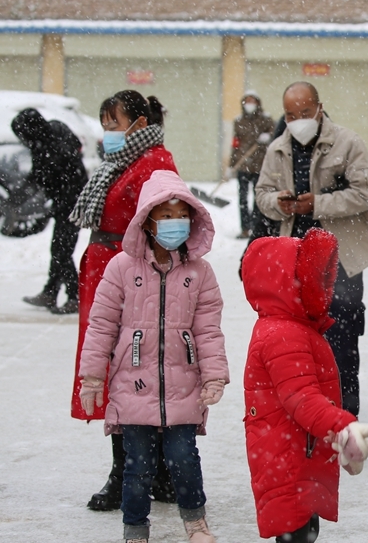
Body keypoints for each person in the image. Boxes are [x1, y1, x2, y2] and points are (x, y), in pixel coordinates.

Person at [78, 170, 229, 543]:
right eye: (166, 215)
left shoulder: (200, 273)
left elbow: (208, 331)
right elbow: (101, 326)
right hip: (133, 384)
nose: (175, 223)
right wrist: (93, 377)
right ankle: (135, 532)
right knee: (138, 467)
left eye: (182, 215)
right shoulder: (121, 269)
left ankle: (196, 524)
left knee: (184, 459)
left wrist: (213, 376)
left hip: (182, 385)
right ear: (147, 221)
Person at [69, 90, 179, 511]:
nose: (107, 132)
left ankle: (133, 469)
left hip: (128, 270)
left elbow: (166, 221)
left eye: (114, 122)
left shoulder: (154, 161)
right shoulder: (120, 161)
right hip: (102, 268)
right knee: (112, 365)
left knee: (131, 367)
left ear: (137, 123)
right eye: (104, 123)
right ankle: (152, 469)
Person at [256, 81, 368, 418]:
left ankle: (346, 415)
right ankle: (309, 414)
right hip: (294, 260)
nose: (298, 120)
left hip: (339, 260)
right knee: (297, 343)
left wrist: (319, 204)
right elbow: (262, 195)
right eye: (290, 114)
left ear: (319, 108)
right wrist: (279, 203)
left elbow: (366, 192)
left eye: (304, 112)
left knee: (342, 339)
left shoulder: (347, 142)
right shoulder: (277, 149)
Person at [242, 231, 368, 543]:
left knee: (305, 529)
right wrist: (342, 426)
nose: (323, 289)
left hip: (295, 452)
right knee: (296, 531)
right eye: (313, 280)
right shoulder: (283, 335)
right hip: (288, 458)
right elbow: (301, 398)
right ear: (284, 285)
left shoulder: (293, 327)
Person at [11, 108, 88, 314]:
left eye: (22, 135)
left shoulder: (50, 147)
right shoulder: (50, 134)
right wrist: (16, 198)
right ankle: (50, 292)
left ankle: (75, 295)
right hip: (68, 201)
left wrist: (20, 198)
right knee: (59, 249)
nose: (22, 141)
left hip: (73, 203)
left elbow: (47, 176)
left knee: (62, 251)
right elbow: (39, 177)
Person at [230, 91, 275, 239]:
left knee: (258, 198)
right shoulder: (239, 121)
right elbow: (235, 144)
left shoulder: (266, 119)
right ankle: (245, 228)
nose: (250, 104)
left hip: (260, 165)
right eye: (247, 101)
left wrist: (268, 136)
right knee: (242, 198)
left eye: (252, 101)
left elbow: (276, 134)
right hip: (243, 165)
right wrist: (232, 164)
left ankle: (256, 226)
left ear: (258, 103)